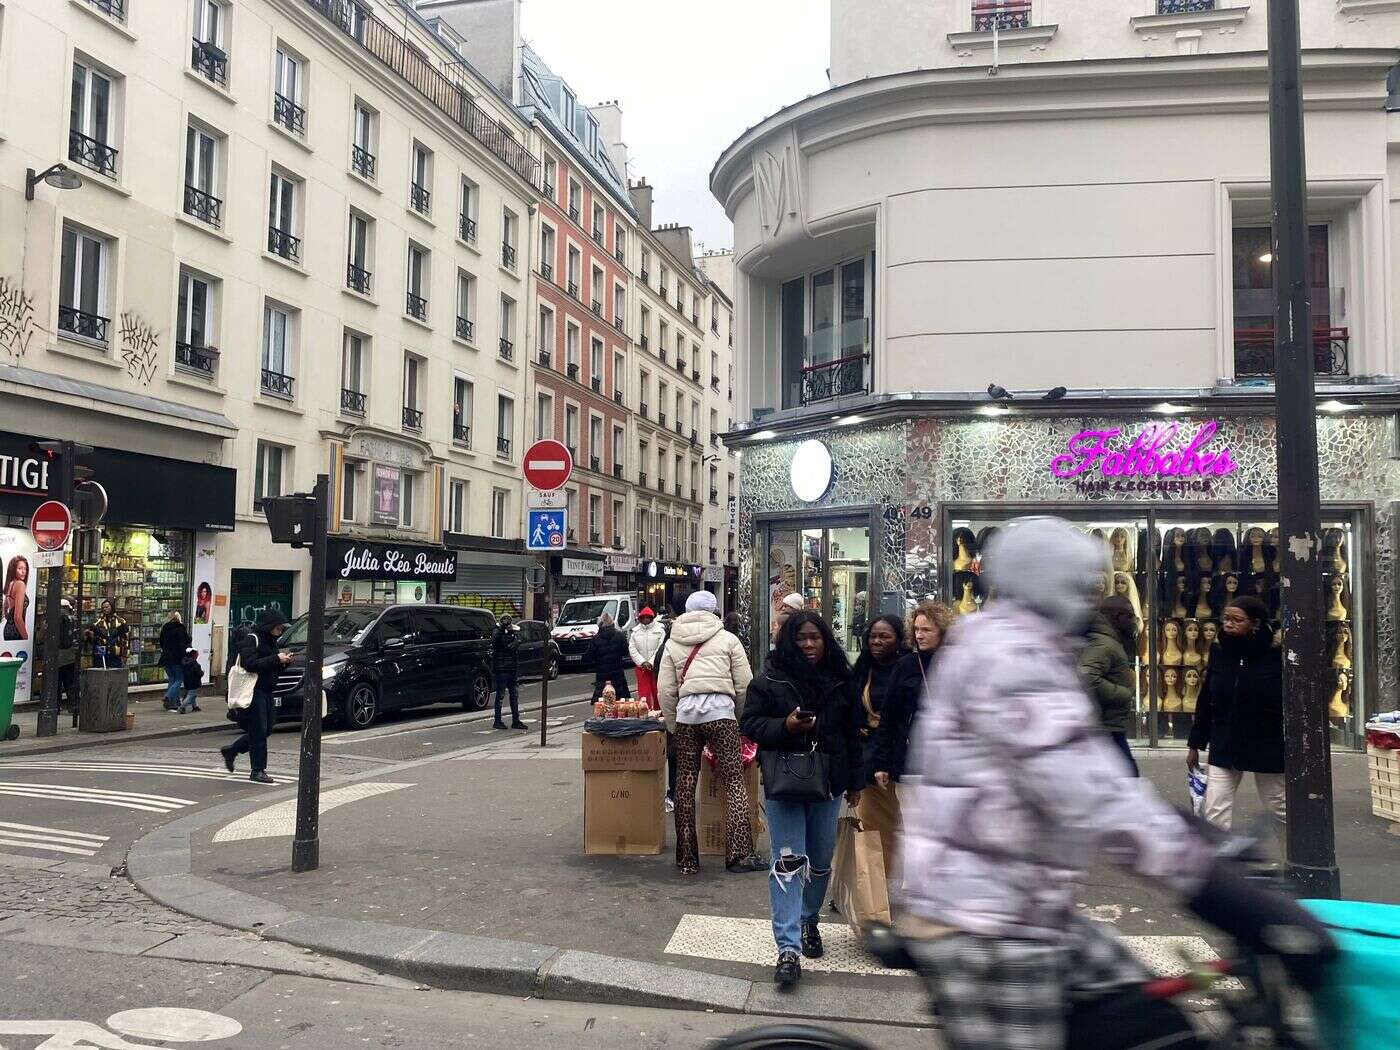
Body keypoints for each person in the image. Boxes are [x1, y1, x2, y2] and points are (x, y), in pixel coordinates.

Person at [898, 517, 1334, 1050]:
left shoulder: (1004, 643)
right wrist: (1217, 887)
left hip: (1025, 902)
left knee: (1154, 1019)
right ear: (1049, 584)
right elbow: (1090, 795)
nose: (1088, 600)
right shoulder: (1011, 661)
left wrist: (1203, 842)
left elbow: (1090, 773)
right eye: (1081, 586)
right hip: (985, 924)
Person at [741, 610, 862, 990]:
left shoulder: (842, 679)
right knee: (788, 863)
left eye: (815, 637)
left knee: (821, 862)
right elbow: (751, 724)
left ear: (826, 640)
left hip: (829, 783)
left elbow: (853, 735)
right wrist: (786, 726)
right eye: (801, 638)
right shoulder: (769, 679)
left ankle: (809, 918)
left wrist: (856, 781)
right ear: (789, 641)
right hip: (785, 785)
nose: (809, 645)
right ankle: (788, 949)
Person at [657, 589, 764, 876]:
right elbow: (744, 684)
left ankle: (687, 858)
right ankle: (739, 854)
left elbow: (665, 690)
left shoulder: (672, 642)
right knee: (733, 782)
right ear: (715, 610)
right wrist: (739, 719)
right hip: (721, 714)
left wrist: (672, 723)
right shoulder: (728, 639)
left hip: (686, 717)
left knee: (685, 783)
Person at [1187, 595, 1285, 832]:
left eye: (1237, 620)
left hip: (1266, 741)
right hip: (1225, 739)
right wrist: (1195, 744)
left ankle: (1292, 866)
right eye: (1226, 619)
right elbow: (1207, 697)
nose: (1228, 624)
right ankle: (1218, 868)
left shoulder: (1277, 654)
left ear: (1256, 623)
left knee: (1279, 809)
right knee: (1215, 810)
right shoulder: (1219, 650)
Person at [849, 613, 909, 879]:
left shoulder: (908, 669)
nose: (877, 641)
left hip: (902, 756)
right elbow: (849, 704)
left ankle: (902, 879)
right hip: (869, 756)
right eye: (873, 636)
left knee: (903, 823)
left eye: (884, 636)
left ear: (898, 639)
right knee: (871, 826)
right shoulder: (862, 669)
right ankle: (871, 886)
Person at [221, 608, 290, 784]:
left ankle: (232, 750)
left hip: (267, 690)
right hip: (253, 691)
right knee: (259, 730)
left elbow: (269, 665)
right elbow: (249, 664)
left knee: (266, 729)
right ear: (269, 626)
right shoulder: (252, 639)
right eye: (278, 627)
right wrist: (276, 659)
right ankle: (257, 770)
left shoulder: (272, 641)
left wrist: (283, 662)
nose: (280, 631)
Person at [1078, 595, 1140, 776]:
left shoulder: (1107, 641)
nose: (1133, 621)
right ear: (1118, 617)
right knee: (1128, 780)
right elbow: (1087, 676)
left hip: (1109, 728)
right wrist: (1123, 693)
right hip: (1106, 730)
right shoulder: (1105, 644)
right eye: (1131, 616)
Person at [490, 615, 526, 730]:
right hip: (502, 669)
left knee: (514, 695)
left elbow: (516, 645)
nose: (507, 623)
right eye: (505, 621)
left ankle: (516, 720)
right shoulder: (497, 632)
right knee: (500, 695)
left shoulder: (513, 632)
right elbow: (497, 643)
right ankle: (497, 720)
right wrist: (502, 630)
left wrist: (515, 638)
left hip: (512, 668)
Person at [587, 612, 632, 700]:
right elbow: (625, 652)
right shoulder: (620, 636)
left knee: (603, 700)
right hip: (617, 672)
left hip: (602, 674)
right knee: (619, 699)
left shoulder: (595, 639)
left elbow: (590, 657)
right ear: (612, 623)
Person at [629, 607, 666, 711]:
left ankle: (659, 712)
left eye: (647, 617)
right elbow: (632, 649)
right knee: (643, 692)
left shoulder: (660, 630)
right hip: (642, 667)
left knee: (657, 691)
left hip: (656, 667)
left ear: (652, 618)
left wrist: (651, 662)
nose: (645, 619)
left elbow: (660, 648)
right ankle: (645, 712)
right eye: (643, 617)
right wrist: (642, 662)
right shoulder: (635, 632)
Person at [159, 612, 192, 712]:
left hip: (165, 658)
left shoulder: (164, 628)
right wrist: (185, 656)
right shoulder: (181, 628)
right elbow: (183, 644)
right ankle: (168, 696)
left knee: (172, 679)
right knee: (179, 679)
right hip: (176, 658)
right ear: (179, 619)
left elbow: (161, 642)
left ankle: (172, 702)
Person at [88, 599, 129, 669]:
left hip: (116, 656)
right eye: (103, 608)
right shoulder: (98, 622)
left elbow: (126, 639)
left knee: (114, 676)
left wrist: (125, 656)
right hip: (101, 656)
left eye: (107, 607)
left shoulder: (121, 621)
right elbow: (93, 638)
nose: (105, 609)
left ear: (112, 607)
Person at [56, 598, 79, 719]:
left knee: (56, 684)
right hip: (70, 657)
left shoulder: (52, 618)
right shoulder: (74, 619)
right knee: (71, 683)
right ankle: (74, 707)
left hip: (55, 657)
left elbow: (41, 637)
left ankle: (56, 707)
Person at [2, 554, 30, 640]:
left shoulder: (11, 584)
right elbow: (17, 617)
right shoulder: (20, 584)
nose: (23, 571)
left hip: (9, 629)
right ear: (13, 570)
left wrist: (9, 619)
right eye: (20, 568)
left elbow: (5, 608)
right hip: (16, 631)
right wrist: (26, 637)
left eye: (25, 568)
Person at [179, 648, 203, 713]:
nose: (198, 655)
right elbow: (199, 673)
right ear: (194, 655)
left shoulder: (184, 662)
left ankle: (195, 706)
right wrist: (202, 672)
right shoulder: (195, 664)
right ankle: (182, 707)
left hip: (186, 681)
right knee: (191, 695)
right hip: (194, 682)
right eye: (197, 654)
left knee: (193, 695)